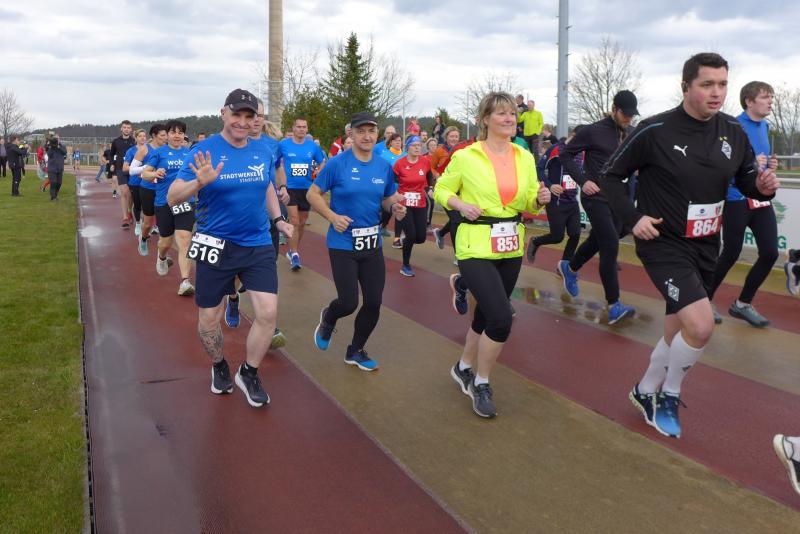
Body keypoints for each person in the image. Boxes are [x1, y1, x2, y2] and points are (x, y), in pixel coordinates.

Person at [600, 52, 778, 439]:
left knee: (676, 329)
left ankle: (645, 389)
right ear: (685, 87)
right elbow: (610, 176)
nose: (717, 92)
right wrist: (632, 218)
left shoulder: (733, 130)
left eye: (723, 84)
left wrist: (762, 187)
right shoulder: (654, 129)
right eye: (706, 84)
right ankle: (669, 394)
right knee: (700, 326)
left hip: (706, 243)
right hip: (663, 242)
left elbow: (747, 180)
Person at [167, 88, 293, 408]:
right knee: (209, 318)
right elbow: (172, 196)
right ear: (223, 113)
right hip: (216, 244)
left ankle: (248, 372)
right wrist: (199, 182)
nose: (242, 122)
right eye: (237, 114)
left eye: (249, 116)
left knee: (268, 312)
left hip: (257, 243)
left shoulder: (263, 149)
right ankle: (219, 365)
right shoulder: (203, 151)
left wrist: (278, 219)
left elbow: (266, 185)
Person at [434, 92, 550, 418]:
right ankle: (481, 383)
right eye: (501, 113)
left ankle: (463, 367)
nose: (510, 118)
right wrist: (460, 204)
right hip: (474, 245)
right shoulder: (466, 156)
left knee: (485, 316)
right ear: (485, 119)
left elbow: (527, 200)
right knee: (501, 318)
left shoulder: (523, 156)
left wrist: (539, 199)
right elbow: (441, 189)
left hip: (510, 244)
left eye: (512, 113)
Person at [307, 112, 406, 371]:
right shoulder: (337, 164)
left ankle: (356, 350)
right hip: (343, 244)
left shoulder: (383, 166)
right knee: (349, 302)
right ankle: (329, 317)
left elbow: (387, 198)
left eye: (371, 131)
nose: (367, 136)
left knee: (373, 302)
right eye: (361, 131)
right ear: (351, 133)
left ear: (377, 134)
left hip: (372, 244)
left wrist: (394, 207)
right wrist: (332, 217)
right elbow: (313, 194)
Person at [557, 90, 639, 325]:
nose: (628, 119)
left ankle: (570, 268)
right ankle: (614, 305)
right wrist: (583, 180)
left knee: (599, 239)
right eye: (625, 114)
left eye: (632, 115)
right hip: (595, 197)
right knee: (610, 244)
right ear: (614, 109)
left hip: (619, 200)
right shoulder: (592, 131)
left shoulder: (631, 133)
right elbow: (565, 154)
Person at [707, 81, 779, 327]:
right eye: (765, 97)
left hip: (759, 199)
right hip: (736, 198)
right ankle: (704, 300)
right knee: (731, 253)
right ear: (749, 101)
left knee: (770, 253)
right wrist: (748, 162)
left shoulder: (765, 126)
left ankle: (742, 303)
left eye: (771, 97)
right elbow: (720, 163)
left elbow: (760, 162)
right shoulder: (732, 126)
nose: (770, 102)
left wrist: (769, 165)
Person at [142, 120, 195, 296]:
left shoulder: (189, 153)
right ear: (168, 135)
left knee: (184, 239)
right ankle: (162, 256)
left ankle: (185, 281)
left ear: (184, 135)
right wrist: (154, 173)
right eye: (173, 132)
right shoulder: (159, 153)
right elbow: (145, 174)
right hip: (164, 202)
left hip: (185, 201)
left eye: (180, 132)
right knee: (165, 241)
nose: (177, 136)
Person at [527, 128, 582, 264]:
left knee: (575, 234)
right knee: (557, 237)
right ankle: (536, 241)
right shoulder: (556, 149)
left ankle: (565, 266)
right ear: (574, 135)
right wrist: (550, 185)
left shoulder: (582, 153)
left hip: (572, 202)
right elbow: (539, 169)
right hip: (556, 202)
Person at [278, 116, 326, 271]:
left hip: (306, 188)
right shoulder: (283, 145)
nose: (301, 129)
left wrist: (319, 171)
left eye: (304, 127)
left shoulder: (312, 146)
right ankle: (295, 254)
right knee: (294, 220)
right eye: (298, 127)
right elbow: (275, 163)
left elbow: (322, 161)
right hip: (290, 187)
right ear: (293, 128)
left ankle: (293, 250)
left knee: (302, 221)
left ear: (307, 129)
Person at [393, 135, 432, 276]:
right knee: (411, 235)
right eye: (414, 145)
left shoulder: (425, 162)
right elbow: (392, 181)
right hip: (404, 204)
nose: (417, 148)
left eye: (419, 145)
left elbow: (429, 176)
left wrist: (430, 188)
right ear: (407, 147)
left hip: (420, 202)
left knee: (420, 237)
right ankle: (405, 265)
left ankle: (407, 239)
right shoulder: (399, 164)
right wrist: (396, 194)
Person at [131, 124, 168, 255]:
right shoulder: (144, 149)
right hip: (148, 189)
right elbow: (131, 170)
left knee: (165, 222)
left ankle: (163, 254)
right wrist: (148, 168)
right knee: (148, 223)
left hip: (164, 189)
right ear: (154, 136)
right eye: (162, 135)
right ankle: (143, 238)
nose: (166, 138)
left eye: (166, 135)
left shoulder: (168, 149)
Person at [431, 126, 461, 249]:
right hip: (444, 188)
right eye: (451, 136)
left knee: (458, 218)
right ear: (446, 137)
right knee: (456, 219)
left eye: (456, 136)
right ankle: (457, 253)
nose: (454, 139)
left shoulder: (462, 150)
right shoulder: (439, 151)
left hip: (458, 188)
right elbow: (432, 167)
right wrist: (436, 175)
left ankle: (440, 233)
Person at [110, 120, 136, 228]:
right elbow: (111, 154)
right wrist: (112, 164)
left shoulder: (134, 141)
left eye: (128, 127)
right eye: (124, 127)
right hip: (120, 169)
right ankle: (125, 217)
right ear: (121, 129)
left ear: (131, 129)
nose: (126, 129)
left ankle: (129, 211)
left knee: (131, 194)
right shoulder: (116, 141)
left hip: (132, 169)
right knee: (124, 192)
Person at [123, 129, 147, 236]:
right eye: (140, 136)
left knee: (148, 205)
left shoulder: (150, 149)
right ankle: (138, 223)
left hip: (148, 181)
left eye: (144, 136)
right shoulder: (131, 151)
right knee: (137, 204)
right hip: (135, 182)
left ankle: (147, 225)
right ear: (136, 138)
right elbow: (125, 167)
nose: (142, 138)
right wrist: (139, 169)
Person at [46, 136, 67, 201]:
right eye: (55, 139)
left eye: (57, 139)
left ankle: (55, 195)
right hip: (52, 168)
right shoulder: (51, 147)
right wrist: (50, 146)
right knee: (53, 182)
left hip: (59, 168)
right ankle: (53, 197)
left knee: (59, 183)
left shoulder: (62, 146)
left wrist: (58, 147)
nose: (56, 140)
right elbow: (49, 154)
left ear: (59, 140)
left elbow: (64, 152)